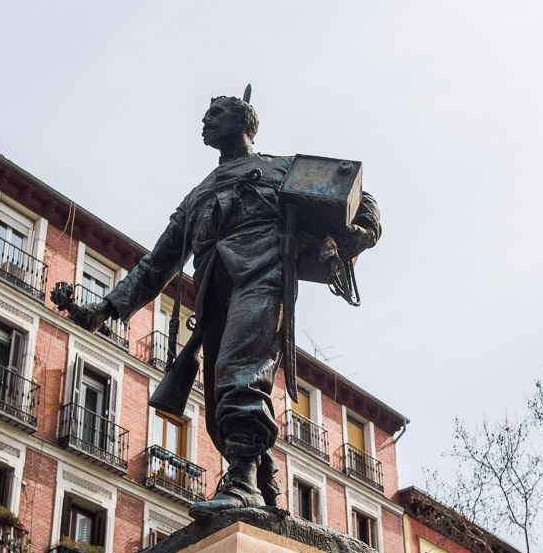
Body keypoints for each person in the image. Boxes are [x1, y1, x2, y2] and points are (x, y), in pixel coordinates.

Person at [54, 94, 380, 518]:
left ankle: (242, 481)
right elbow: (156, 265)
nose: (205, 120)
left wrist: (355, 232)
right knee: (216, 405)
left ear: (244, 121)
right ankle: (259, 467)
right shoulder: (197, 197)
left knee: (238, 373)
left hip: (262, 278)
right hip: (213, 297)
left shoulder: (284, 169)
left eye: (216, 113)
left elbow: (358, 196)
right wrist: (106, 308)